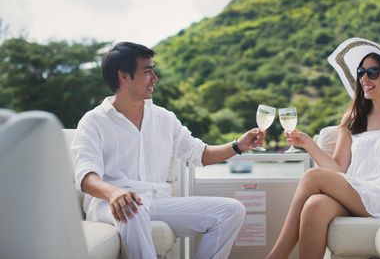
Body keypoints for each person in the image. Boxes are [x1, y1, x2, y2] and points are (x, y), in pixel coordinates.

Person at [71, 41, 265, 259]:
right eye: (147, 72)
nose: (155, 78)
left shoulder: (164, 118)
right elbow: (87, 176)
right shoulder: (94, 121)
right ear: (123, 77)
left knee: (231, 211)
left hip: (157, 201)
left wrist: (238, 145)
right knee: (132, 211)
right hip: (112, 204)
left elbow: (200, 153)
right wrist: (114, 192)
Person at [266, 37, 380, 259]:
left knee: (312, 176)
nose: (364, 78)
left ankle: (276, 256)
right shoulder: (353, 118)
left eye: (373, 72)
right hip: (359, 191)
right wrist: (309, 144)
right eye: (361, 72)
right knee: (314, 206)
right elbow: (338, 169)